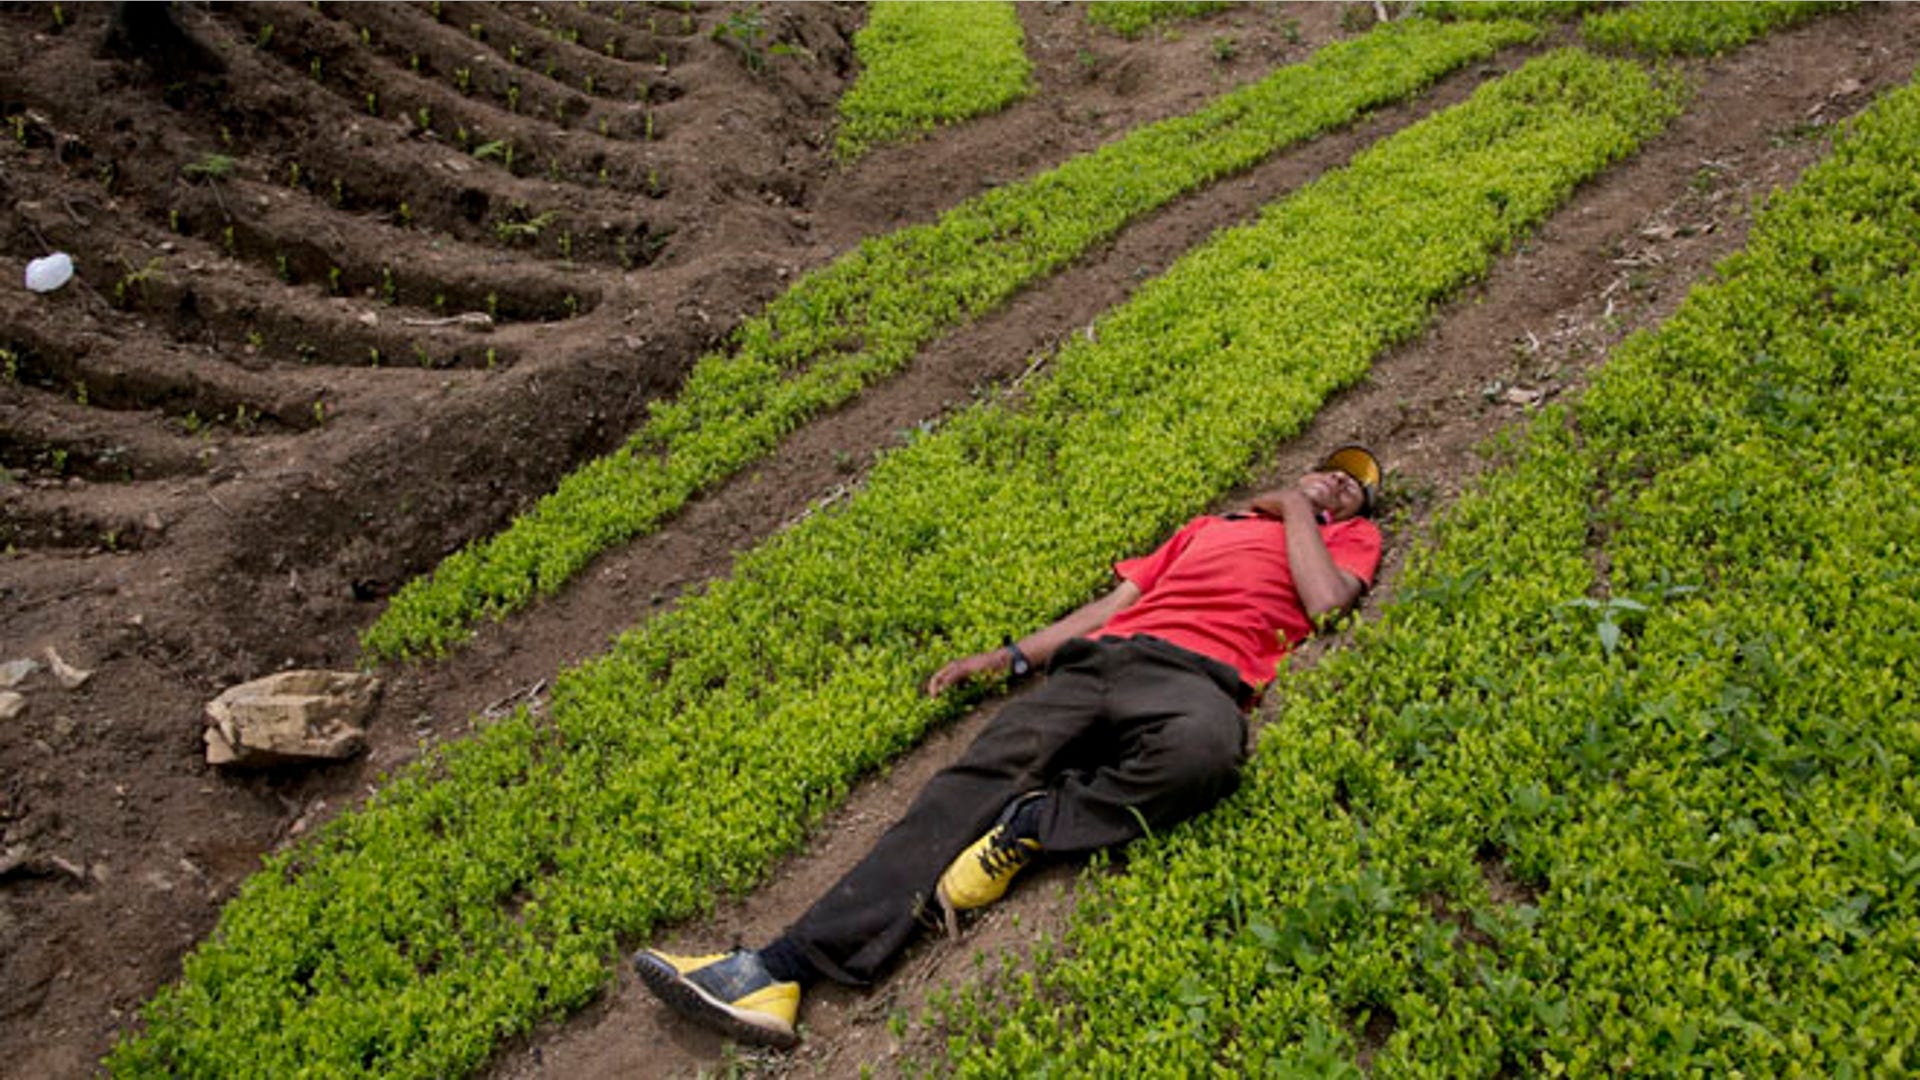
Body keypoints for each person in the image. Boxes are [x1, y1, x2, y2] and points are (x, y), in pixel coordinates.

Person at [635, 446, 1388, 1049]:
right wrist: (1010, 657)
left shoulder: (1347, 539)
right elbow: (1113, 605)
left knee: (1206, 753)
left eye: (1353, 487)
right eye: (1329, 469)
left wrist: (1298, 510)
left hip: (1197, 678)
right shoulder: (1206, 527)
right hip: (1103, 663)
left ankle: (1036, 827)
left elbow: (1325, 605)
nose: (1337, 483)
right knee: (958, 791)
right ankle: (776, 971)